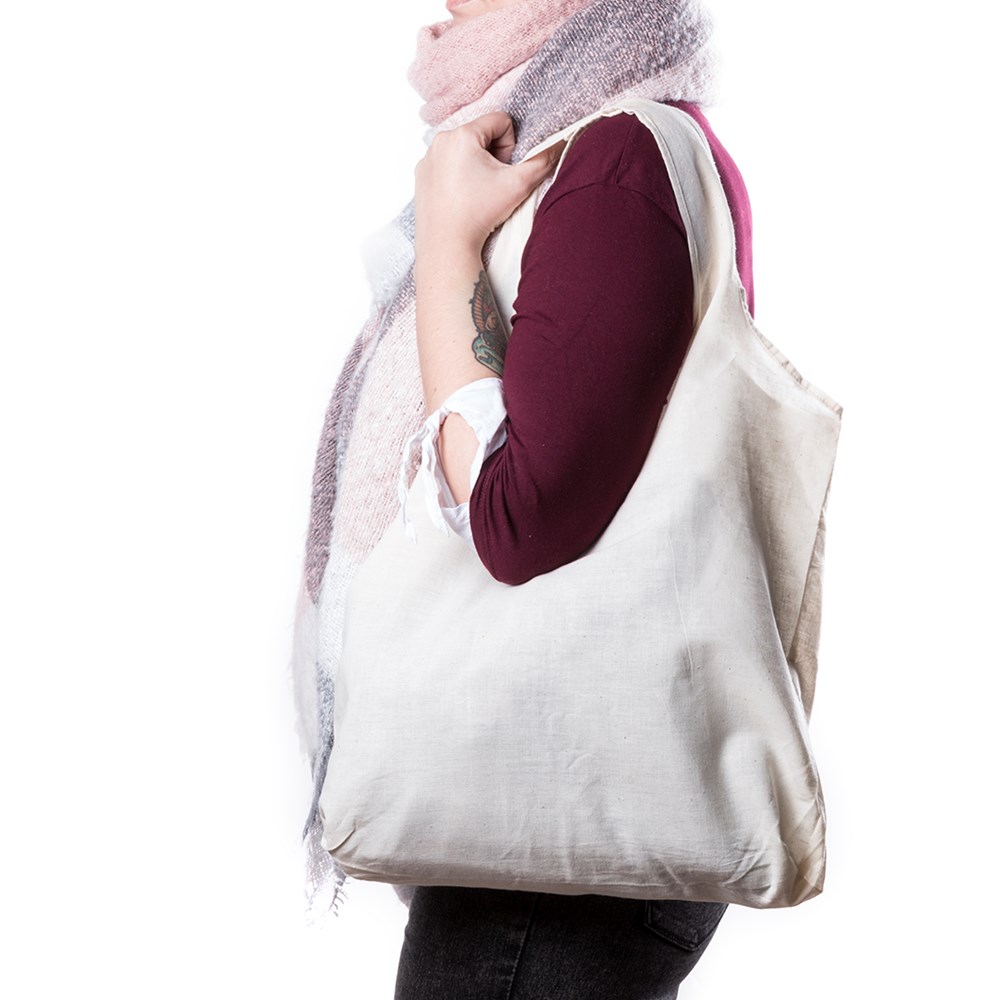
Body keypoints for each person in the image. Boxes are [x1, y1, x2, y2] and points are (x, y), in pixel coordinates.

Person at [292, 2, 764, 997]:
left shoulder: (618, 157)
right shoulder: (591, 142)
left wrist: (448, 249)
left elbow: (517, 520)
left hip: (562, 853)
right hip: (556, 824)